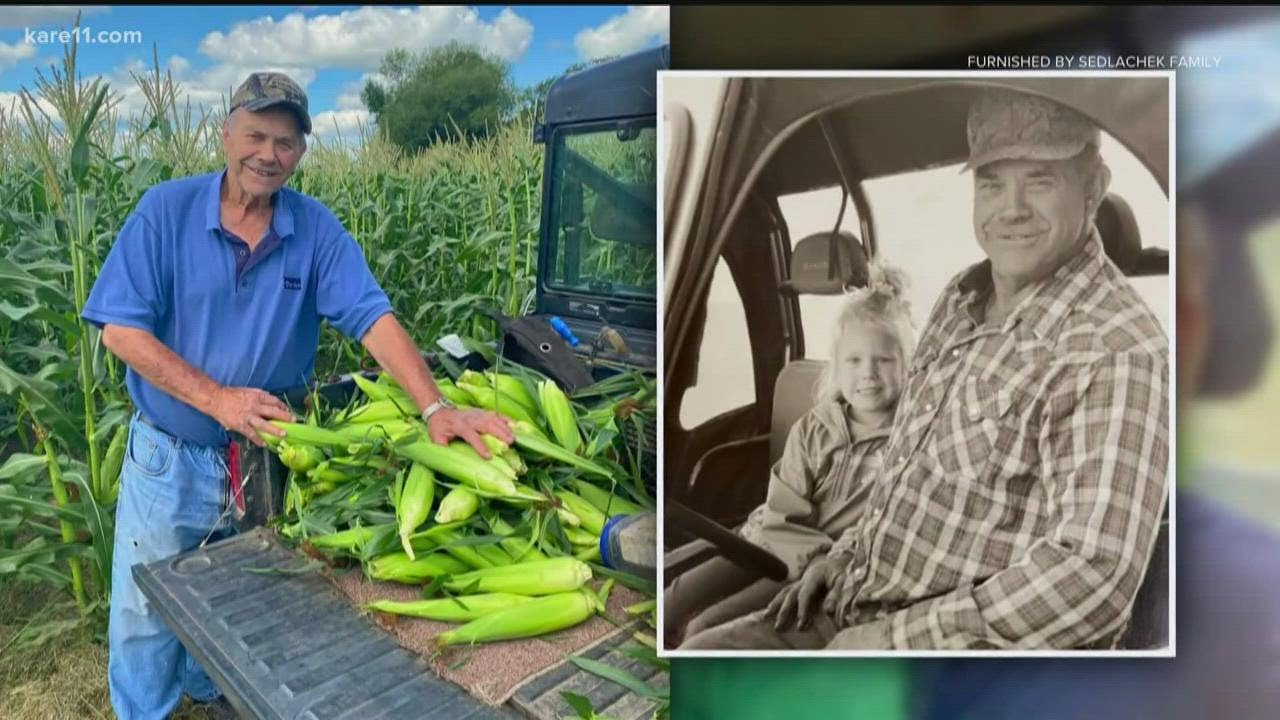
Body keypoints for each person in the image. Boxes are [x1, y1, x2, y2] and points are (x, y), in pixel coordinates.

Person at [82, 72, 513, 719]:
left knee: (242, 600)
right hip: (171, 455)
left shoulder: (313, 230)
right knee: (146, 610)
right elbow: (120, 328)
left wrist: (435, 407)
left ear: (300, 153)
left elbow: (372, 317)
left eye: (285, 142)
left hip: (268, 456)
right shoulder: (164, 212)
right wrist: (219, 399)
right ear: (225, 134)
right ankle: (144, 711)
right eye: (255, 135)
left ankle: (209, 694)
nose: (268, 154)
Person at [682, 88, 1170, 651]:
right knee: (701, 650)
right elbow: (904, 478)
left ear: (1092, 187)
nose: (1010, 207)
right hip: (850, 601)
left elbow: (1093, 578)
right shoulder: (958, 301)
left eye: (1039, 178)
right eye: (991, 182)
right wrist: (842, 557)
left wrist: (889, 639)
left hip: (938, 656)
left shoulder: (1117, 349)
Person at [667, 267, 915, 644]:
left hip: (816, 569)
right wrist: (808, 552)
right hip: (769, 541)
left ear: (907, 365)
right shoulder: (814, 429)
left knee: (702, 628)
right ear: (837, 365)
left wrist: (825, 563)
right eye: (854, 361)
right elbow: (782, 511)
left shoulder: (909, 441)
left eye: (883, 360)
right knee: (673, 597)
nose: (869, 373)